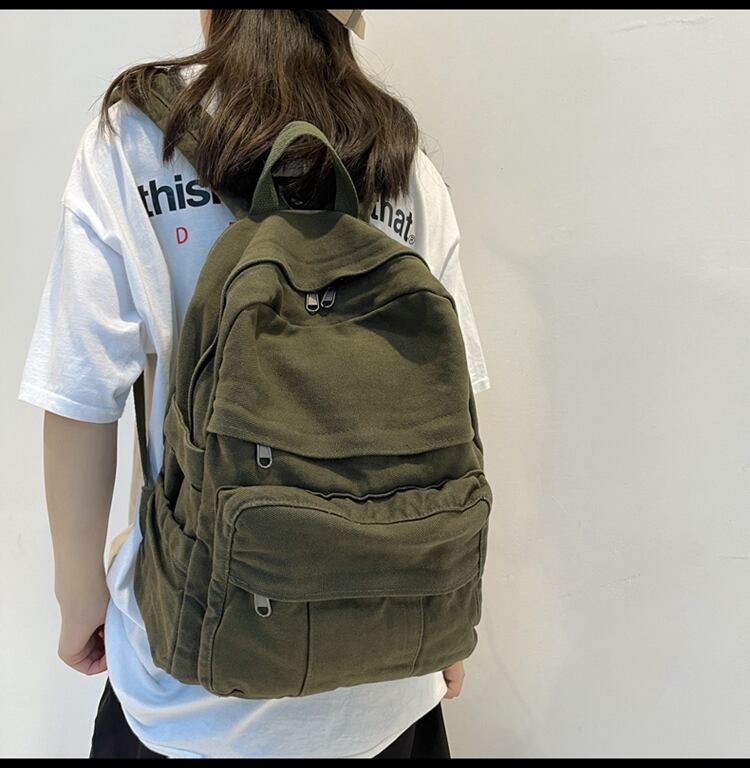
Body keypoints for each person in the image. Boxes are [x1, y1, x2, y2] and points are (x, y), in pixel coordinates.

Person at [18, 9, 491, 759]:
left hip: (189, 695)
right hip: (390, 689)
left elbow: (79, 393)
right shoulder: (403, 162)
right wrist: (444, 609)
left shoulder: (136, 140)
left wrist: (79, 596)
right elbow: (451, 413)